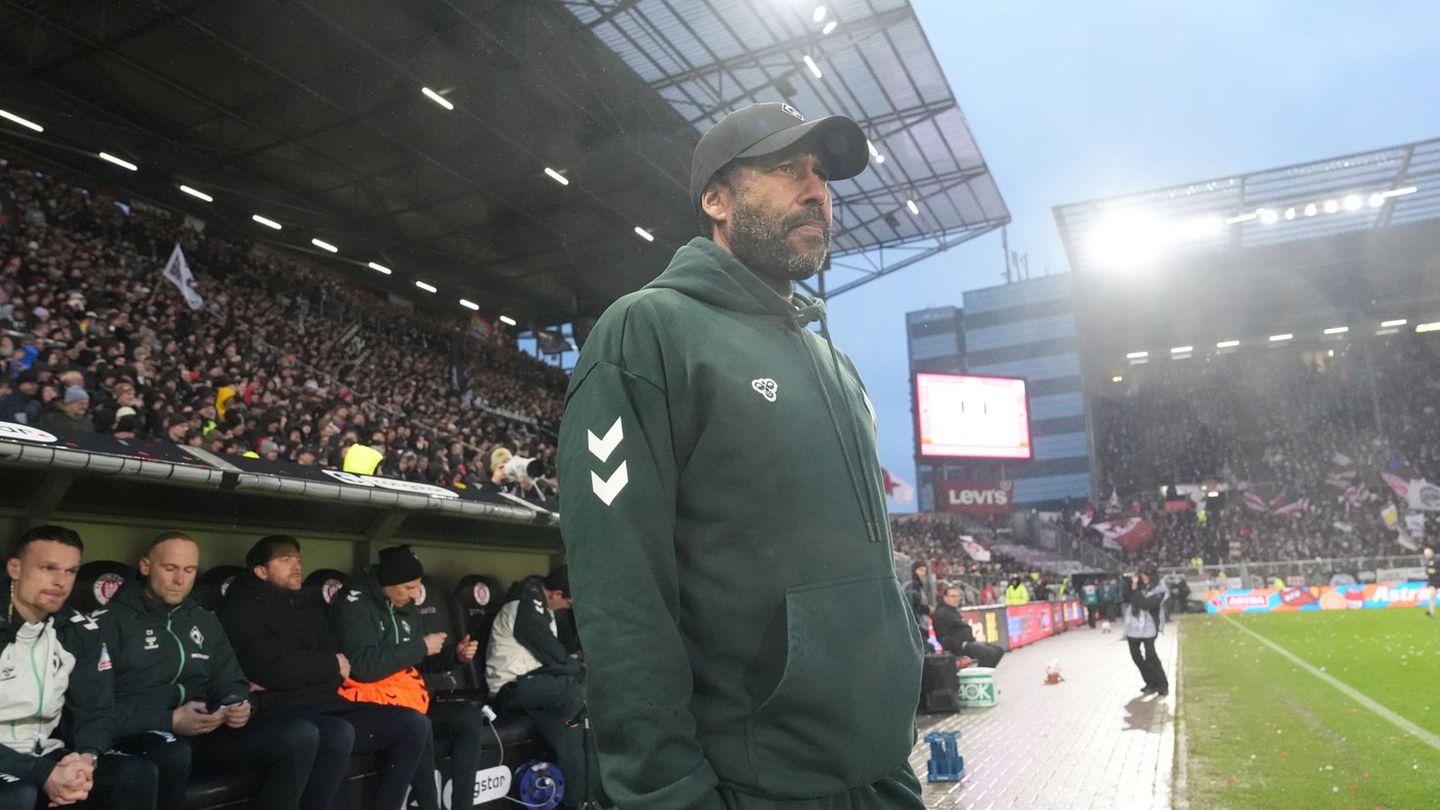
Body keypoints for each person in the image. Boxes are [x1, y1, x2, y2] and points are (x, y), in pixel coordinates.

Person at [558, 102, 924, 810]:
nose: (815, 188)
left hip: (880, 773)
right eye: (787, 168)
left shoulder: (835, 363)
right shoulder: (648, 331)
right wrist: (667, 792)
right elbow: (619, 588)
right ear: (716, 199)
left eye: (821, 173)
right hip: (751, 786)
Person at [100, 532, 323, 809]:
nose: (180, 580)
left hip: (205, 732)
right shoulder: (108, 624)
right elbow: (95, 709)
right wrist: (169, 720)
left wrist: (237, 703)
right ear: (146, 566)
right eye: (170, 568)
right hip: (144, 733)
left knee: (300, 735)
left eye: (189, 570)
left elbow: (230, 677)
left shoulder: (204, 620)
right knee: (173, 751)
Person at [218, 535, 431, 810]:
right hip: (275, 711)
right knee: (336, 734)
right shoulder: (240, 608)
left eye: (298, 559)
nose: (296, 566)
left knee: (413, 724)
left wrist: (313, 669)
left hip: (321, 702)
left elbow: (340, 667)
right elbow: (275, 669)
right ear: (261, 571)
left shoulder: (302, 603)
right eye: (285, 560)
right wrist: (324, 666)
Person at [0, 525, 158, 810]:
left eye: (71, 571)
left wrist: (86, 758)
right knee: (18, 794)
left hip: (44, 754)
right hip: (10, 762)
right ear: (15, 568)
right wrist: (40, 773)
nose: (60, 582)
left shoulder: (79, 630)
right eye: (48, 568)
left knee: (135, 773)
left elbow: (95, 708)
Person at [332, 545, 484, 810]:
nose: (415, 594)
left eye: (417, 586)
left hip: (405, 697)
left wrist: (454, 657)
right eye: (408, 587)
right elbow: (363, 666)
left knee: (469, 716)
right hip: (368, 704)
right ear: (388, 582)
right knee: (417, 723)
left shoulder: (403, 604)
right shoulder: (354, 604)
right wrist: (420, 646)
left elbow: (418, 659)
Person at [484, 567, 593, 807]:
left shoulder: (543, 611)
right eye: (566, 601)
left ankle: (585, 791)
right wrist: (578, 668)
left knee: (583, 691)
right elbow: (550, 652)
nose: (566, 607)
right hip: (510, 687)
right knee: (575, 693)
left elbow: (552, 658)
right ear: (555, 594)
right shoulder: (523, 607)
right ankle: (576, 796)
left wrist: (575, 664)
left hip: (534, 682)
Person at [1121, 564, 1170, 698]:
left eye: (1145, 575)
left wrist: (1135, 589)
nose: (1143, 577)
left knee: (1151, 656)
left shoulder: (1160, 589)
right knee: (1136, 656)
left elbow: (1146, 604)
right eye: (1141, 575)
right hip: (1134, 626)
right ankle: (1150, 683)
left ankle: (1162, 685)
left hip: (1150, 626)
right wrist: (1126, 582)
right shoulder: (1138, 586)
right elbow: (1125, 597)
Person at [932, 586, 1004, 669]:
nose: (956, 599)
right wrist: (959, 644)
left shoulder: (953, 611)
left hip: (969, 642)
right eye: (953, 596)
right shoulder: (941, 613)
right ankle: (978, 677)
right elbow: (942, 638)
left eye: (958, 596)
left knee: (998, 650)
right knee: (988, 653)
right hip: (959, 646)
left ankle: (985, 675)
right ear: (945, 598)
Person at [902, 561, 932, 643]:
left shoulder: (918, 585)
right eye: (920, 570)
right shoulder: (912, 585)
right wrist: (927, 609)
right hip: (918, 625)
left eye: (925, 571)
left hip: (920, 624)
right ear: (914, 571)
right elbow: (912, 605)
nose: (923, 574)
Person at [1426, 547, 1439, 619]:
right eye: (1425, 554)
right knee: (1431, 595)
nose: (1426, 555)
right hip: (1432, 581)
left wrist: (1435, 571)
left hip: (1438, 579)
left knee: (1432, 595)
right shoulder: (1427, 561)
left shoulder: (1437, 560)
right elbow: (1426, 570)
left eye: (1427, 553)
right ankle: (1431, 612)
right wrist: (1428, 571)